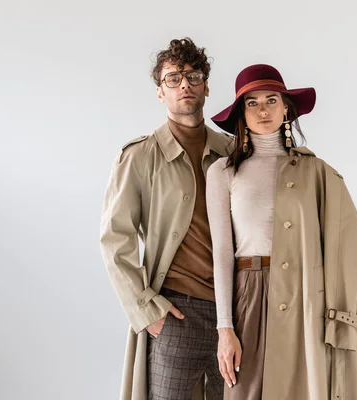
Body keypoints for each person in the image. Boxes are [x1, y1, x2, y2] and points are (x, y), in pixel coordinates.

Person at [206, 64, 357, 399]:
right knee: (245, 390)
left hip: (305, 295)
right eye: (252, 103)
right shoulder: (222, 172)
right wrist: (225, 328)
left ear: (286, 109)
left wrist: (336, 311)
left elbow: (349, 245)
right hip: (249, 293)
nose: (263, 109)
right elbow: (222, 252)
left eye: (271, 100)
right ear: (241, 113)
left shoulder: (316, 172)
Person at [100, 37, 233, 400]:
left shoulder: (233, 152)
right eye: (173, 79)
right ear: (161, 92)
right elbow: (115, 239)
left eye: (192, 76)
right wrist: (148, 312)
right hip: (176, 313)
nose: (184, 85)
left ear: (206, 85)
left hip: (233, 318)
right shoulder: (139, 156)